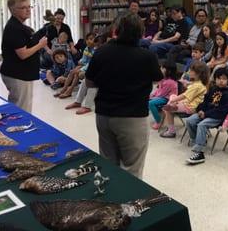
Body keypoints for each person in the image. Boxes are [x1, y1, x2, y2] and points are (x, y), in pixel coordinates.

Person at [85, 13, 163, 178]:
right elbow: (158, 79)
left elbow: (89, 82)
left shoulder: (101, 52)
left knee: (108, 163)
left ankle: (110, 199)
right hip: (132, 117)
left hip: (104, 114)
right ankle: (129, 201)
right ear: (141, 34)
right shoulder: (147, 56)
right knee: (132, 167)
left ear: (116, 30)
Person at [0, 0, 48, 112]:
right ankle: (19, 129)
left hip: (21, 73)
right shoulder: (14, 28)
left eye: (29, 6)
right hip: (18, 74)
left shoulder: (19, 26)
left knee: (21, 105)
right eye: (23, 7)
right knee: (21, 109)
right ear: (13, 10)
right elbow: (23, 54)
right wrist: (40, 45)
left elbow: (27, 42)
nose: (28, 10)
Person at [185, 67, 228, 165]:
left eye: (224, 79)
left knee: (202, 125)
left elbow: (222, 111)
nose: (221, 81)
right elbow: (204, 101)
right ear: (215, 79)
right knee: (190, 120)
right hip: (206, 114)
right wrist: (200, 110)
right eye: (218, 78)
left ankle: (200, 153)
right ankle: (197, 141)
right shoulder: (213, 89)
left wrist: (206, 114)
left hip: (218, 118)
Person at [160, 61, 209, 138]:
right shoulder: (198, 83)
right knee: (172, 97)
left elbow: (184, 95)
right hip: (189, 104)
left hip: (190, 107)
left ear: (198, 73)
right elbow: (189, 91)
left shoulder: (197, 86)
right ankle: (172, 105)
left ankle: (171, 131)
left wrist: (174, 100)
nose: (189, 72)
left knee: (168, 108)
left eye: (191, 71)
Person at [65, 34, 106, 115]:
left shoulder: (105, 52)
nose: (97, 46)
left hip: (105, 76)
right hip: (98, 73)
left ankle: (87, 106)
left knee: (93, 84)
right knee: (85, 81)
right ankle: (78, 102)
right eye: (96, 44)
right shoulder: (96, 51)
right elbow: (92, 64)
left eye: (99, 44)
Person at [54, 32, 95, 99]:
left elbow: (92, 63)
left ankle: (69, 91)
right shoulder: (87, 48)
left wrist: (81, 68)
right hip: (85, 65)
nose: (89, 41)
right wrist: (80, 62)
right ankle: (64, 89)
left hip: (91, 67)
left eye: (92, 39)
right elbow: (84, 59)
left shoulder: (95, 50)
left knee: (76, 73)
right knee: (72, 71)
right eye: (88, 39)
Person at [148, 63, 179, 130]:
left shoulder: (170, 82)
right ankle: (160, 115)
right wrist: (152, 95)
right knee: (150, 100)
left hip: (168, 99)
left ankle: (158, 122)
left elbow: (162, 94)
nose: (160, 69)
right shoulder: (164, 79)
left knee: (150, 103)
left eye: (162, 68)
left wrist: (151, 98)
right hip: (163, 97)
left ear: (169, 71)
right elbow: (158, 90)